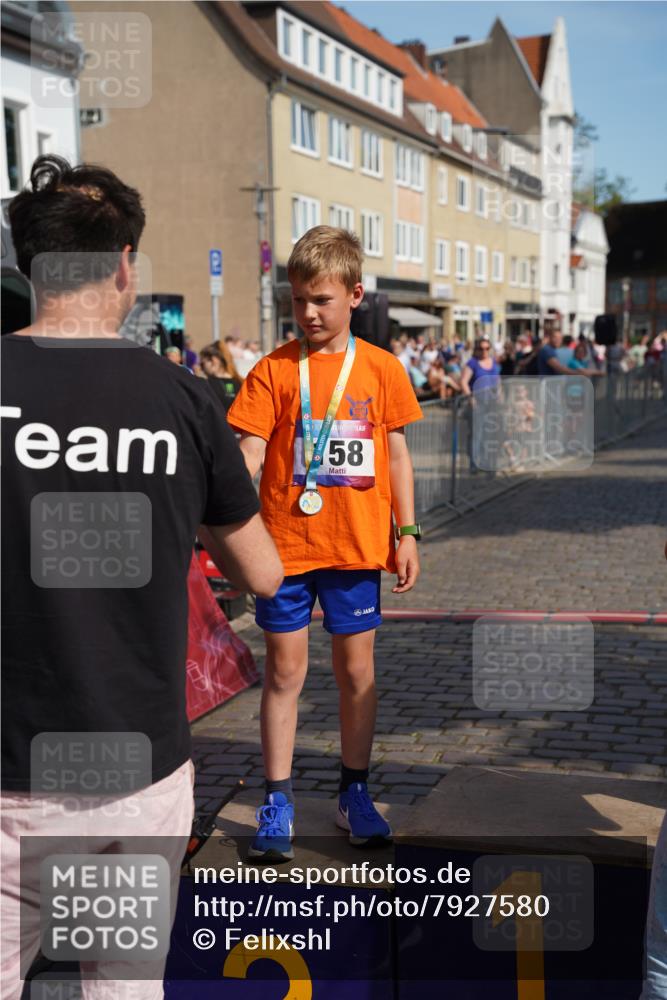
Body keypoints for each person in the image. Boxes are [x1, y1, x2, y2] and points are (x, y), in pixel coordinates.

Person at [1, 155, 284, 1000]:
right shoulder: (185, 401)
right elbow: (263, 574)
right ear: (125, 264)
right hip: (133, 772)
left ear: (27, 264)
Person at [227, 225, 422, 861]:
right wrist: (233, 486)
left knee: (356, 673)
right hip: (283, 548)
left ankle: (353, 792)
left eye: (322, 300)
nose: (308, 313)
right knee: (284, 672)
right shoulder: (274, 370)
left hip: (357, 545)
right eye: (298, 301)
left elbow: (395, 454)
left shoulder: (383, 369)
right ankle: (278, 797)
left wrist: (409, 532)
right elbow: (251, 447)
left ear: (354, 295)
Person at [200, 340, 242, 412]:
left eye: (202, 364)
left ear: (213, 360)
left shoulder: (207, 385)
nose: (201, 369)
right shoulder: (241, 383)